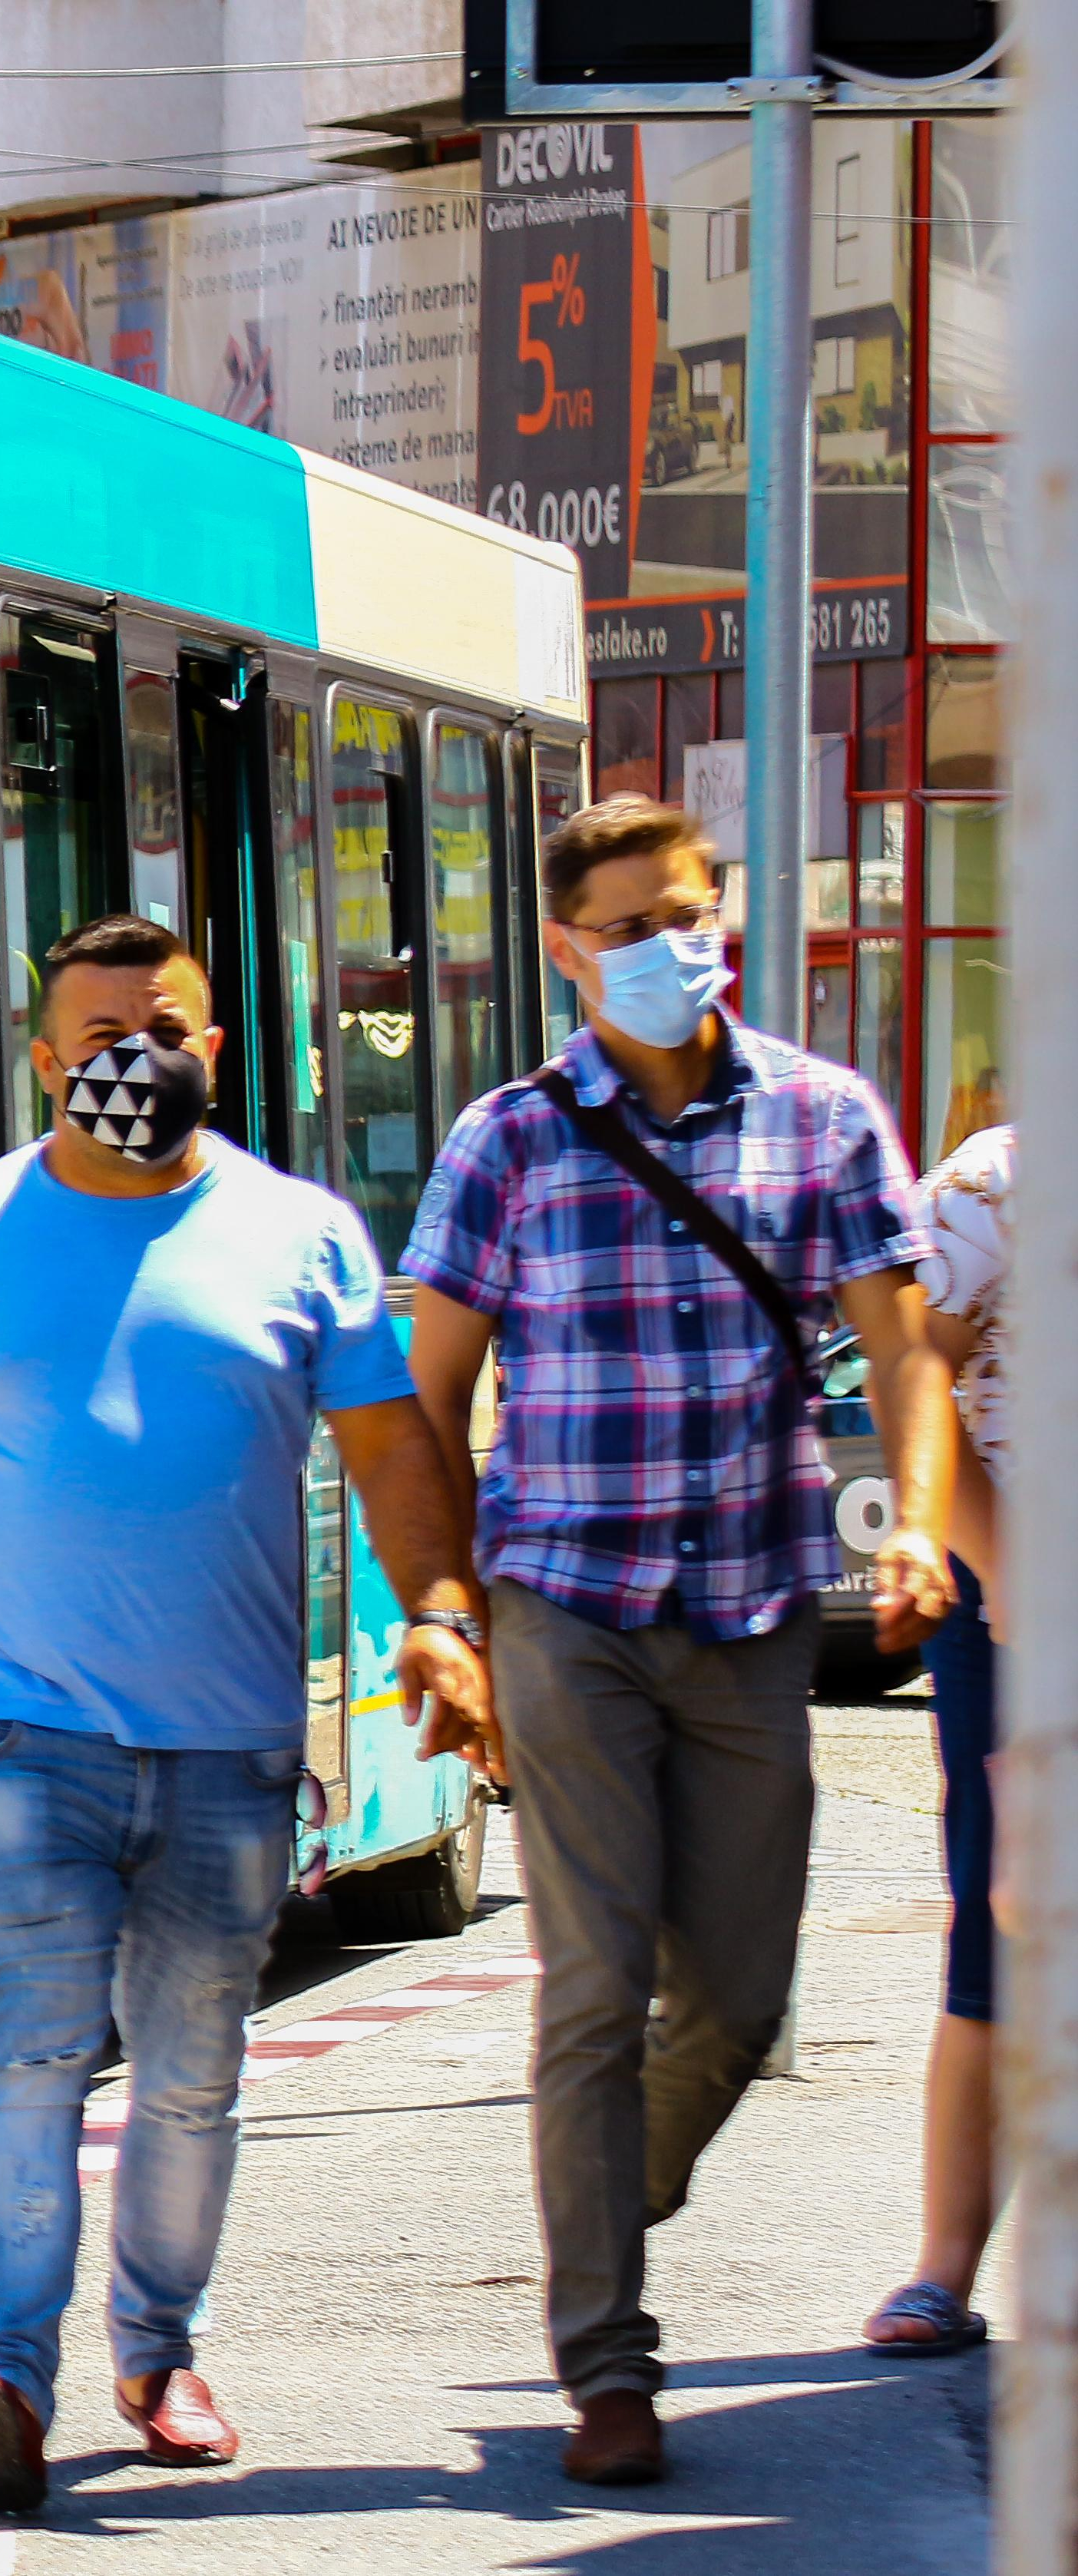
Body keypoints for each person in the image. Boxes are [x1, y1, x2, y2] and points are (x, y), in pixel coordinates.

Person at [0, 912, 498, 2516]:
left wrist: (444, 1617)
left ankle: (154, 2347)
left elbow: (388, 1450)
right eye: (95, 1034)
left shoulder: (300, 1233)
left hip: (229, 1747)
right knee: (24, 2059)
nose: (130, 1060)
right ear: (37, 1058)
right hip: (14, 1738)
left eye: (160, 1028)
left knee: (187, 2073)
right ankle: (5, 2371)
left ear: (213, 1046)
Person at [401, 796, 955, 2486]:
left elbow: (903, 1345)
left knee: (733, 1993)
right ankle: (603, 2358)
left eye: (686, 909)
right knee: (590, 1982)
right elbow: (416, 1398)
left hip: (750, 1609)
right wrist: (439, 1615)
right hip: (562, 1603)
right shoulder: (504, 1140)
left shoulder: (820, 1117)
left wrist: (920, 1517)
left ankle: (606, 2179)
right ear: (566, 950)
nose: (666, 944)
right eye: (627, 923)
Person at [864, 1118, 1012, 2359]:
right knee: (1007, 1918)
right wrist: (1011, 1581)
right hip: (1016, 1611)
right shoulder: (995, 1181)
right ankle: (944, 2269)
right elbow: (917, 1374)